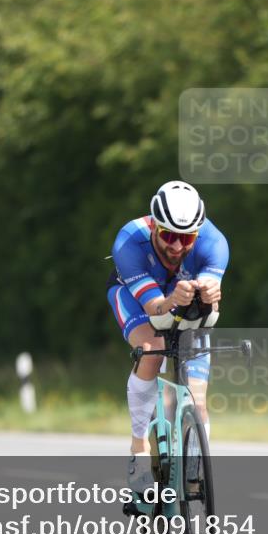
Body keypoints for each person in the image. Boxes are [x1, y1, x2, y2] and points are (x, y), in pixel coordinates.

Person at [106, 181, 228, 496]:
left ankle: (192, 471)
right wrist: (173, 296)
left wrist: (211, 294)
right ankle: (139, 448)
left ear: (198, 234)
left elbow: (209, 313)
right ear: (154, 226)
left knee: (198, 400)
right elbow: (157, 312)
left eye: (186, 238)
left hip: (182, 297)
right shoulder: (128, 242)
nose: (176, 247)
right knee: (153, 349)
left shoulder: (214, 244)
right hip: (137, 296)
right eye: (169, 235)